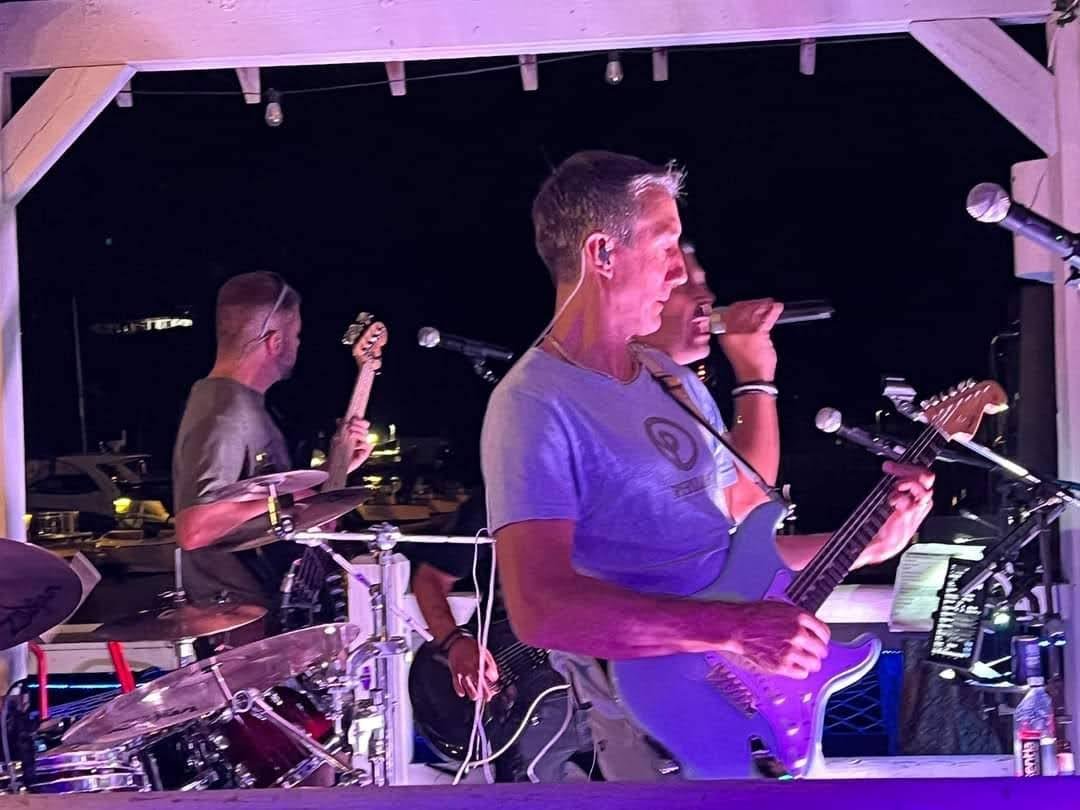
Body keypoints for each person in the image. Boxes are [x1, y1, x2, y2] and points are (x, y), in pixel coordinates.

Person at [479, 151, 934, 777]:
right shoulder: (534, 402)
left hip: (747, 691)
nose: (676, 273)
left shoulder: (672, 381)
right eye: (665, 245)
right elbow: (540, 608)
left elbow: (733, 545)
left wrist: (868, 543)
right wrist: (732, 631)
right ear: (602, 254)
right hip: (656, 717)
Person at [172, 271, 373, 635]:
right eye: (296, 336)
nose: (298, 345)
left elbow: (263, 503)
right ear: (274, 341)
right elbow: (193, 529)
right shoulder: (225, 412)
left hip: (268, 614)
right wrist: (290, 497)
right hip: (238, 624)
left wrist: (336, 466)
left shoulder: (248, 406)